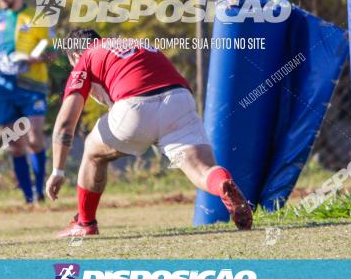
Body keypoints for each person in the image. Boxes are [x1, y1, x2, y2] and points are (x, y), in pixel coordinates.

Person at [45, 28, 253, 237]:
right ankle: (222, 184)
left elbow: (65, 123)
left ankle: (85, 223)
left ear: (75, 56)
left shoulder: (85, 58)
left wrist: (57, 171)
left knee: (92, 151)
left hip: (136, 107)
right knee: (202, 170)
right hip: (179, 99)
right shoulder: (134, 44)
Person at [0, 0, 54, 204]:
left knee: (34, 137)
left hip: (33, 87)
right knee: (15, 145)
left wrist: (37, 58)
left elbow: (51, 52)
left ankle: (41, 191)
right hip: (6, 90)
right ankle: (28, 196)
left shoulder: (37, 17)